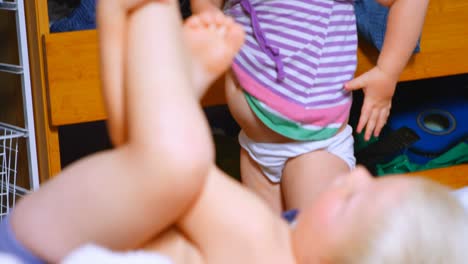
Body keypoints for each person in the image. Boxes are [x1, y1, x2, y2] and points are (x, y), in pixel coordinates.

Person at [1, 1, 468, 263]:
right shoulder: (274, 238)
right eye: (377, 181)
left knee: (179, 160)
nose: (360, 175)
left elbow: (156, 158)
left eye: (352, 201)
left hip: (40, 241)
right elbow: (143, 157)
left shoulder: (262, 246)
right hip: (67, 227)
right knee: (173, 162)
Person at [186, 0, 430, 215]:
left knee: (313, 248)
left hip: (314, 149)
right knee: (270, 249)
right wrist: (206, 11)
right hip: (255, 149)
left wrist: (388, 71)